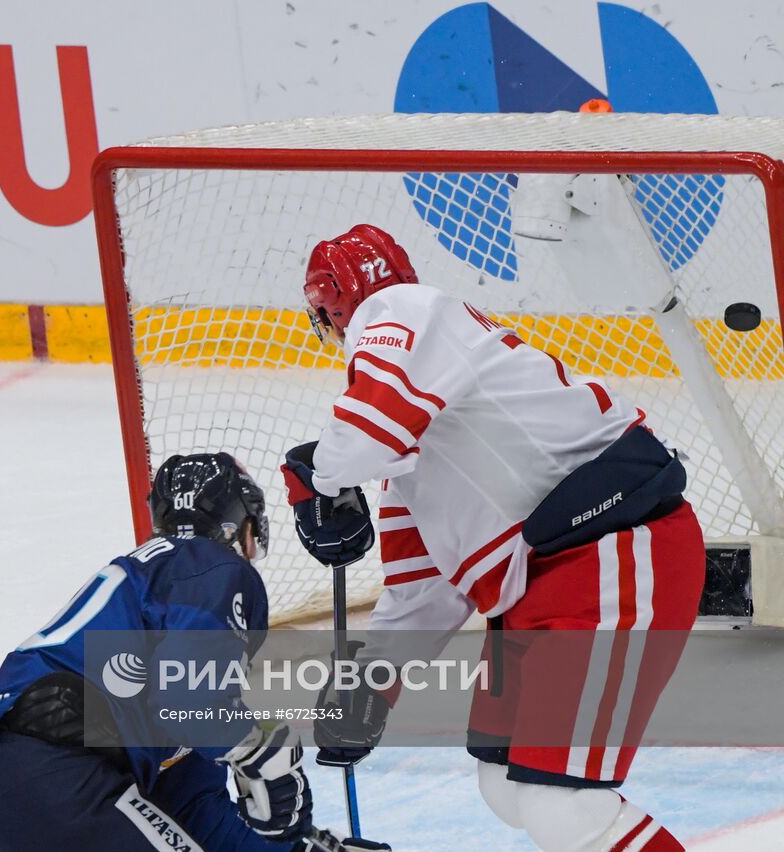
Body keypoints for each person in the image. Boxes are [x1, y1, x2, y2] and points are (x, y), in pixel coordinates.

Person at [282, 224, 704, 852]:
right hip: (546, 585)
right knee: (507, 786)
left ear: (333, 308)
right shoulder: (418, 431)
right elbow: (424, 592)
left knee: (563, 806)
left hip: (613, 559)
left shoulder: (404, 308)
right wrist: (372, 681)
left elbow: (364, 437)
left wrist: (313, 479)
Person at [0, 453, 377, 852]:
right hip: (62, 789)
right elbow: (190, 703)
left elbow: (197, 811)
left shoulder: (142, 611)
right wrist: (262, 750)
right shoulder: (209, 566)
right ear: (241, 525)